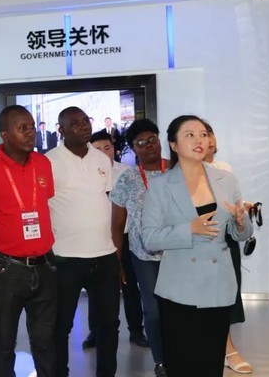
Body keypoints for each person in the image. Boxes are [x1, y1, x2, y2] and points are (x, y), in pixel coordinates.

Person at [142, 115, 252, 377]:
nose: (199, 140)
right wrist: (189, 230)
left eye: (203, 134)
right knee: (183, 364)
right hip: (179, 288)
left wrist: (241, 222)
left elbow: (241, 233)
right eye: (189, 135)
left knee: (211, 364)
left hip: (218, 284)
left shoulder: (226, 179)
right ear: (174, 145)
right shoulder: (159, 186)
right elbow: (149, 238)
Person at [46, 106, 120, 377]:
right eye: (75, 123)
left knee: (109, 323)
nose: (84, 126)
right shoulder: (48, 161)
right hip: (65, 258)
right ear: (61, 130)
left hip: (104, 255)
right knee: (60, 326)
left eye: (86, 121)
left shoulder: (102, 160)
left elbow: (107, 200)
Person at [0, 105, 57, 377]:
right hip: (6, 270)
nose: (30, 133)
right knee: (3, 343)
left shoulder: (43, 163)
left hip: (45, 265)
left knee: (45, 341)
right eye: (22, 128)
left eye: (32, 127)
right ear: (4, 134)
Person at [108, 119, 169, 377]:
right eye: (141, 143)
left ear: (159, 140)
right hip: (144, 256)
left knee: (177, 308)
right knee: (153, 309)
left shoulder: (176, 170)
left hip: (178, 253)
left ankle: (182, 355)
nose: (148, 146)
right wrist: (118, 262)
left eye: (151, 140)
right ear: (134, 148)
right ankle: (161, 361)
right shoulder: (128, 178)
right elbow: (117, 224)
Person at [84, 131, 149, 350]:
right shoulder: (86, 174)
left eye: (107, 148)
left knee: (130, 286)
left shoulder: (127, 173)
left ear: (114, 148)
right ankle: (94, 332)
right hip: (98, 237)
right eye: (97, 149)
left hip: (126, 236)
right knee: (96, 289)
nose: (104, 153)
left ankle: (136, 331)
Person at [203, 121, 253, 375]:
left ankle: (225, 347)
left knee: (227, 295)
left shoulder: (225, 169)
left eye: (209, 133)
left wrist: (242, 209)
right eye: (199, 135)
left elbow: (231, 203)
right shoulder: (182, 174)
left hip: (227, 237)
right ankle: (225, 348)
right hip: (201, 240)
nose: (207, 139)